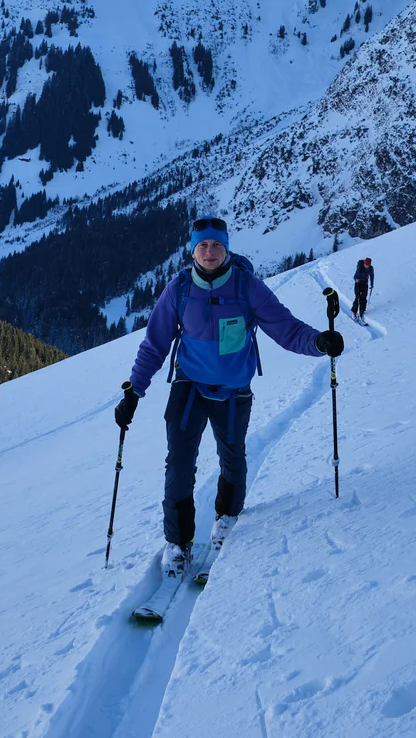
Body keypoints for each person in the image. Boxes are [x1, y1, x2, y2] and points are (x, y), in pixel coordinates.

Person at [114, 217, 343, 579]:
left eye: (215, 245)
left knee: (232, 457)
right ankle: (178, 542)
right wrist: (134, 390)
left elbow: (285, 328)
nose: (208, 252)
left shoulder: (247, 287)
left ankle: (227, 519)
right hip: (188, 386)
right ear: (192, 249)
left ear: (226, 248)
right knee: (179, 464)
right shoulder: (179, 289)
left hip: (235, 389)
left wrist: (318, 342)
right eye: (202, 245)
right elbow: (155, 344)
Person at [352, 256, 374, 322]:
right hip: (358, 284)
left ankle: (362, 311)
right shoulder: (360, 267)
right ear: (364, 263)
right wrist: (357, 280)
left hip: (365, 284)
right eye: (365, 264)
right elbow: (355, 276)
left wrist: (372, 284)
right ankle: (354, 312)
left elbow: (372, 276)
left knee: (364, 298)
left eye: (368, 265)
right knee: (357, 297)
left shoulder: (371, 268)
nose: (366, 266)